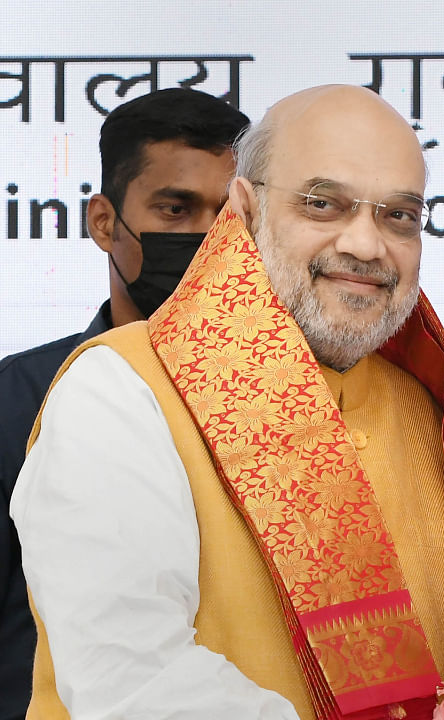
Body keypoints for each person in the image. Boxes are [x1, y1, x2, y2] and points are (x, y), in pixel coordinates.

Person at [11, 85, 444, 719]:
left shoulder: (425, 405)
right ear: (243, 210)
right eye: (323, 204)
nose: (368, 246)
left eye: (398, 215)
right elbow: (131, 682)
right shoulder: (121, 391)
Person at [0, 88, 247, 720]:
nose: (209, 238)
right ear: (104, 222)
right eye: (175, 208)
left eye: (229, 215)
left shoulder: (284, 406)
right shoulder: (14, 399)